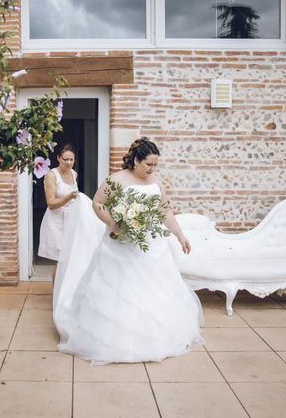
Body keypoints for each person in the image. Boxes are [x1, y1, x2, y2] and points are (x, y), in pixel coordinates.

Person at [53, 138, 204, 364]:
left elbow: (165, 212)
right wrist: (113, 223)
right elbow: (98, 203)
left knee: (153, 292)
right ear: (135, 160)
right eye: (148, 165)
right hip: (120, 245)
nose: (152, 169)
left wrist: (180, 235)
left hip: (151, 247)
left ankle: (154, 336)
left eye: (155, 165)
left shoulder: (156, 182)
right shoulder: (117, 179)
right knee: (119, 291)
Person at [38, 144, 79, 280]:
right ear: (58, 158)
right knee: (60, 261)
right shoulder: (51, 175)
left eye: (71, 160)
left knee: (71, 259)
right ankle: (56, 296)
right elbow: (51, 204)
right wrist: (69, 197)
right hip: (56, 221)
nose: (68, 163)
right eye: (65, 159)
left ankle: (66, 293)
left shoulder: (74, 173)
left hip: (71, 219)